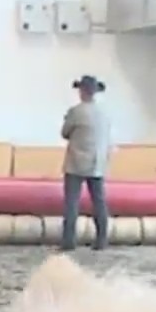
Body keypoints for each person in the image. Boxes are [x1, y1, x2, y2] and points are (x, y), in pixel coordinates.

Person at [60, 75, 113, 252]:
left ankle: (69, 241)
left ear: (82, 91)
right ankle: (102, 240)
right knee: (99, 202)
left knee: (72, 203)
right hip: (98, 162)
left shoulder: (76, 111)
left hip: (77, 161)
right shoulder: (104, 113)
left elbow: (65, 133)